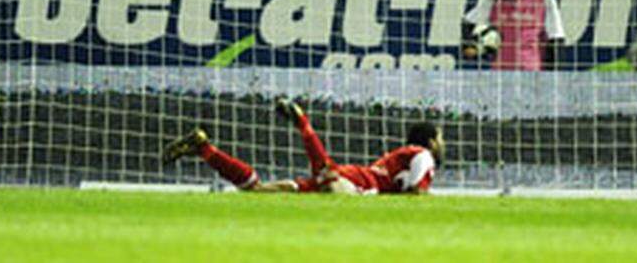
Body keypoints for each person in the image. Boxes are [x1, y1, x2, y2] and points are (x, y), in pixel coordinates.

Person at [163, 99, 444, 194]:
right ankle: (304, 124)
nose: (442, 145)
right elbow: (417, 194)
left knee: (258, 192)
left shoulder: (402, 155)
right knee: (329, 178)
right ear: (430, 142)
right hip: (357, 184)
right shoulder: (422, 155)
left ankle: (204, 149)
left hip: (354, 178)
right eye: (440, 139)